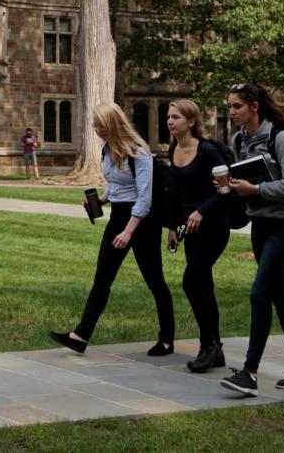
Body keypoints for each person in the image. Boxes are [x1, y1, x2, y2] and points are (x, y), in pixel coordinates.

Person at [50, 102, 175, 358]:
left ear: (114, 123)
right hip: (118, 217)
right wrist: (102, 200)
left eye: (100, 125)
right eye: (95, 125)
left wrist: (129, 232)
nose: (96, 130)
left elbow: (144, 197)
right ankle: (80, 335)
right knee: (102, 279)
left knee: (155, 281)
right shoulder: (108, 149)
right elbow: (118, 185)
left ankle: (167, 338)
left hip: (142, 223)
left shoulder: (139, 153)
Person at [219, 82, 284, 397]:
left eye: (237, 106)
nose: (231, 112)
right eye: (230, 106)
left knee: (260, 293)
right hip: (260, 225)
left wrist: (256, 189)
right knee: (281, 295)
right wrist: (229, 187)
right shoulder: (238, 139)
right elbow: (244, 182)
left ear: (254, 107)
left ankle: (249, 373)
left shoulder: (282, 139)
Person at [166, 99, 232, 373]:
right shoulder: (173, 149)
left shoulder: (208, 151)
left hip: (214, 226)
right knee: (204, 286)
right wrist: (171, 227)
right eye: (168, 117)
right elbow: (175, 194)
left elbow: (226, 189)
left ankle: (207, 347)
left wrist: (202, 212)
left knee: (191, 282)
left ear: (191, 122)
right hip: (189, 230)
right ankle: (215, 348)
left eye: (175, 117)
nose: (170, 121)